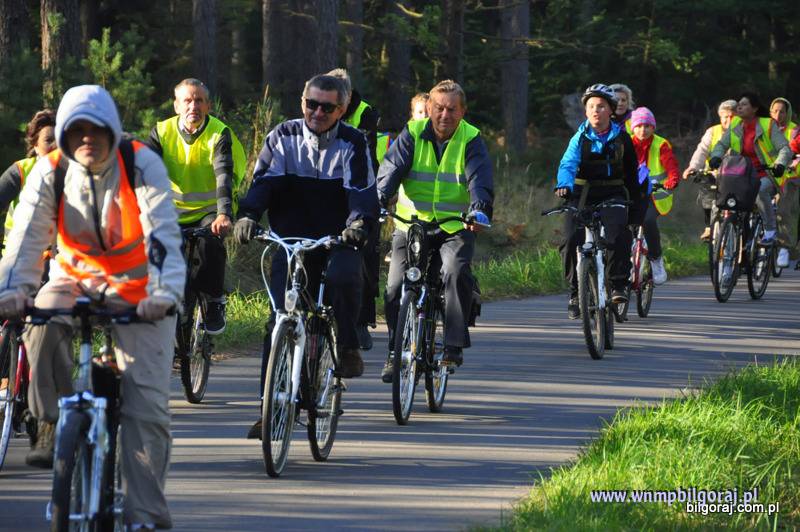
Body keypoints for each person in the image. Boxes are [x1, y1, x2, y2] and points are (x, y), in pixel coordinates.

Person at [0, 85, 184, 530]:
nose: (86, 137)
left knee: (146, 408)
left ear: (111, 130)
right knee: (40, 323)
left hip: (142, 290)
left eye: (95, 128)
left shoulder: (139, 163)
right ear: (63, 134)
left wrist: (164, 294)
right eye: (75, 129)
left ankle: (144, 515)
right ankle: (51, 420)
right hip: (74, 278)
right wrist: (13, 290)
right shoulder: (50, 171)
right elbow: (25, 238)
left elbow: (162, 233)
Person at [234, 74, 378, 436]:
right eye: (311, 104)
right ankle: (269, 409)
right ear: (302, 102)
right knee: (278, 320)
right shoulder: (282, 136)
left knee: (344, 277)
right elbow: (263, 183)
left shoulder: (353, 142)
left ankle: (347, 345)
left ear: (341, 110)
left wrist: (358, 223)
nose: (317, 112)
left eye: (327, 107)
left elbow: (361, 192)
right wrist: (249, 215)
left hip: (338, 238)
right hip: (291, 240)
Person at [377, 79, 493, 380]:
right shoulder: (413, 132)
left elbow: (479, 180)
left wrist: (479, 208)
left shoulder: (471, 139)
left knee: (455, 271)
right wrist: (380, 196)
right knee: (394, 287)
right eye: (439, 108)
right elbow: (392, 168)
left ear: (462, 111)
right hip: (410, 225)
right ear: (429, 108)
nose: (445, 115)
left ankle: (453, 344)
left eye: (452, 109)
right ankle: (394, 352)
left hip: (454, 226)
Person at [147, 78, 246, 335]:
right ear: (176, 106)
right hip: (171, 212)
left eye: (199, 100)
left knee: (210, 244)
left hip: (209, 211)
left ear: (208, 105)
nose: (194, 106)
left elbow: (224, 175)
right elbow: (145, 173)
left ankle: (214, 301)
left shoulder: (218, 133)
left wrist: (224, 214)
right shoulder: (161, 131)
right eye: (187, 101)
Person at [555, 83, 647, 319]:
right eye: (591, 107)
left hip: (612, 193)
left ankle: (618, 285)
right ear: (586, 111)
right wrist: (564, 185)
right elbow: (567, 163)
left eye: (601, 106)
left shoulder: (623, 139)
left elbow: (632, 175)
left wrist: (636, 208)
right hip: (581, 194)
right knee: (569, 239)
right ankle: (575, 293)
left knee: (618, 235)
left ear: (611, 110)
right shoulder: (579, 138)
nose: (596, 111)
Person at [328, 68, 380, 351]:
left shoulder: (365, 113)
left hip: (360, 187)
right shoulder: (319, 109)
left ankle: (362, 321)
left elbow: (366, 153)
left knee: (365, 255)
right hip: (327, 190)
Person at [709, 92, 792, 245]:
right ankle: (726, 234)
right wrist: (716, 156)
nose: (739, 107)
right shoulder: (735, 124)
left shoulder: (768, 125)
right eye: (738, 105)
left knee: (760, 191)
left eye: (744, 104)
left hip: (767, 174)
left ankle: (770, 231)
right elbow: (721, 145)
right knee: (724, 195)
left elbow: (785, 149)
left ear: (754, 108)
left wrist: (780, 164)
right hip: (741, 175)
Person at [629, 107, 680, 285]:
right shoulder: (627, 142)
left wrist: (673, 179)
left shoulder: (661, 144)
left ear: (653, 127)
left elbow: (671, 166)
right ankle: (626, 261)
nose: (643, 130)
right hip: (633, 193)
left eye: (647, 126)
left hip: (655, 194)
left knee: (648, 220)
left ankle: (656, 259)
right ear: (633, 128)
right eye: (639, 126)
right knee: (623, 223)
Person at [682, 99, 738, 241]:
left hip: (737, 175)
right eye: (725, 116)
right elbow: (701, 151)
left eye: (732, 116)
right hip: (714, 174)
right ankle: (709, 227)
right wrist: (693, 167)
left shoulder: (743, 132)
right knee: (707, 196)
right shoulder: (712, 132)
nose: (729, 120)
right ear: (720, 117)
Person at [0, 110, 57, 246]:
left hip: (60, 256)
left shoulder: (76, 173)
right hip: (18, 253)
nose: (55, 145)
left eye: (59, 139)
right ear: (35, 145)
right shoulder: (20, 171)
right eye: (49, 140)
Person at [769, 98, 800, 267]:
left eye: (782, 111)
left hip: (789, 176)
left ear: (787, 113)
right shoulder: (764, 127)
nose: (778, 115)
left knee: (782, 210)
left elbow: (795, 151)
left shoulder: (794, 130)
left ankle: (784, 247)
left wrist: (792, 163)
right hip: (767, 174)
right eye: (774, 111)